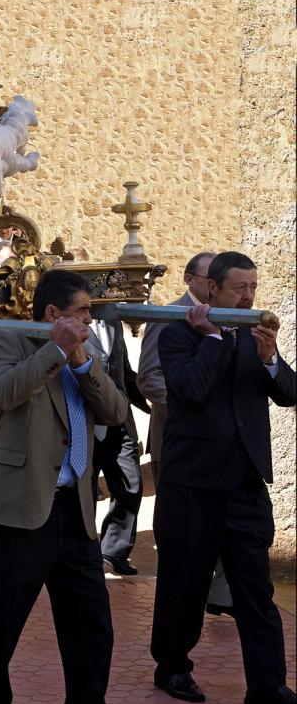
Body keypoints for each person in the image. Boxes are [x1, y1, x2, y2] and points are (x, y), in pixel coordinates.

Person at [0, 270, 147, 704]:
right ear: (53, 314)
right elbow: (2, 393)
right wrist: (53, 351)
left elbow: (115, 410)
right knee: (0, 621)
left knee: (91, 626)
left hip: (76, 512)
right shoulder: (8, 339)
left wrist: (82, 360)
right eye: (84, 311)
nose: (92, 319)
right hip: (18, 510)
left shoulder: (87, 353)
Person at [150, 251, 296, 704]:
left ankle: (267, 685)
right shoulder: (178, 334)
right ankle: (172, 666)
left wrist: (271, 360)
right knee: (185, 583)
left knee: (255, 589)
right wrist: (212, 339)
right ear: (212, 289)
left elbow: (290, 394)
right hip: (193, 483)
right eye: (240, 287)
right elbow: (188, 391)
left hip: (245, 483)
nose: (249, 295)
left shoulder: (258, 336)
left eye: (253, 286)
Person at [137, 251, 233, 615]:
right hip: (176, 438)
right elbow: (148, 377)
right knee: (181, 534)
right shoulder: (168, 316)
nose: (212, 284)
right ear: (189, 279)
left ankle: (221, 596)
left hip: (223, 444)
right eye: (208, 277)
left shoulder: (230, 316)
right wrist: (191, 407)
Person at [85, 317, 151, 575]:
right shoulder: (70, 321)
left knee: (130, 485)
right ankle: (85, 552)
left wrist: (148, 402)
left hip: (120, 421)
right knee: (85, 490)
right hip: (87, 422)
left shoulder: (113, 321)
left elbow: (124, 373)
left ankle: (113, 552)